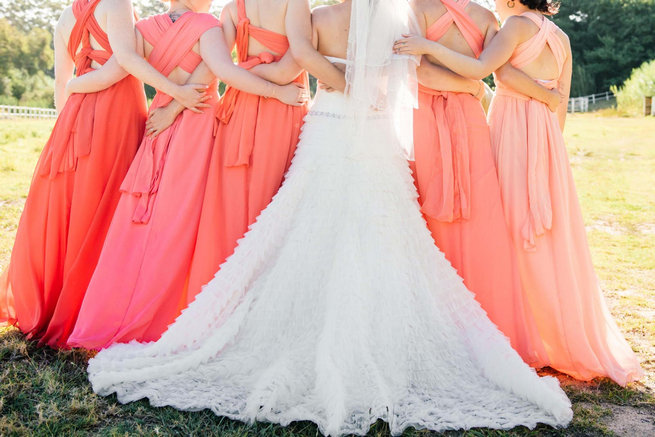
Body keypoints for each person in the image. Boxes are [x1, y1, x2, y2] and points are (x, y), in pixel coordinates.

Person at [85, 0, 572, 434]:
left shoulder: (315, 17)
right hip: (375, 130)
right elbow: (413, 77)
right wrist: (465, 91)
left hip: (329, 124)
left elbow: (294, 64)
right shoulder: (394, 19)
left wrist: (310, 82)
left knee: (303, 223)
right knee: (385, 232)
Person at [394, 0, 643, 385]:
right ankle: (548, 327)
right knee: (546, 230)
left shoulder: (512, 27)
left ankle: (515, 324)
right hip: (546, 137)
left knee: (508, 225)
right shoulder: (560, 37)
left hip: (513, 125)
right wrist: (547, 132)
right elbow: (559, 97)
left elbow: (490, 72)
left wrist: (429, 47)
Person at [67, 0, 307, 350]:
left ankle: (116, 307)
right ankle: (176, 312)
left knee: (143, 217)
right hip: (197, 121)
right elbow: (220, 72)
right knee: (187, 220)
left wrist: (168, 96)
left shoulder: (143, 29)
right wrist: (278, 92)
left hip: (158, 118)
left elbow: (130, 66)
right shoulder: (207, 25)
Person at [408, 0, 559, 363]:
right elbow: (484, 74)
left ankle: (461, 325)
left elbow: (421, 74)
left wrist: (472, 87)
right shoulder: (487, 18)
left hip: (427, 114)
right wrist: (473, 89)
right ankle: (471, 324)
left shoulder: (418, 9)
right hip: (463, 113)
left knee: (471, 216)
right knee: (456, 214)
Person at [0, 0, 152, 347]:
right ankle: (92, 306)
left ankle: (62, 300)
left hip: (74, 116)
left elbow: (61, 81)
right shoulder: (118, 4)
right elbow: (120, 67)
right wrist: (75, 89)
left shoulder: (65, 15)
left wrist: (66, 120)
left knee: (75, 202)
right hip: (116, 112)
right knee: (107, 202)